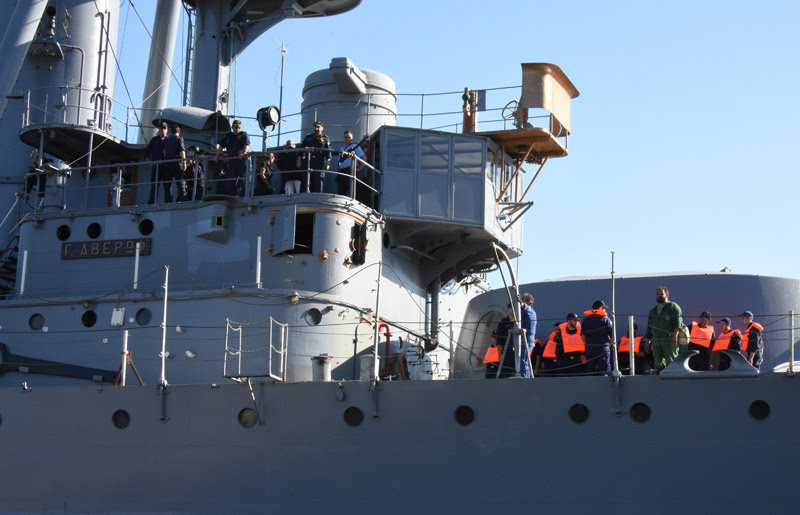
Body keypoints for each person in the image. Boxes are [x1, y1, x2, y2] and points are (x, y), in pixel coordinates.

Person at [645, 286, 683, 373]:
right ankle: (660, 378)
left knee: (671, 361)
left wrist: (675, 336)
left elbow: (678, 324)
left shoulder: (673, 307)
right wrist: (648, 341)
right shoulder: (653, 311)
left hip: (669, 340)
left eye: (661, 294)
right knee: (658, 363)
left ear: (667, 295)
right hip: (656, 341)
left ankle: (673, 378)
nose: (659, 296)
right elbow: (649, 328)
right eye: (657, 294)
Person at [214, 119, 250, 196]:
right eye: (236, 127)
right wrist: (217, 156)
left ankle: (244, 195)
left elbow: (246, 145)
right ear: (232, 127)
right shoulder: (228, 135)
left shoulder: (244, 135)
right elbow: (221, 146)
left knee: (243, 179)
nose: (237, 129)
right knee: (231, 179)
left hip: (241, 161)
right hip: (231, 161)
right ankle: (231, 195)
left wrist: (244, 153)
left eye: (239, 127)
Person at [297, 120, 331, 193]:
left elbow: (328, 152)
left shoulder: (325, 139)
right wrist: (299, 160)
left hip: (319, 162)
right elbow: (301, 149)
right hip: (308, 161)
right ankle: (304, 195)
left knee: (317, 181)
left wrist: (327, 163)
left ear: (322, 128)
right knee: (305, 180)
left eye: (318, 127)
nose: (316, 129)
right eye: (315, 127)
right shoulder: (308, 137)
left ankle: (317, 195)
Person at [581, 300, 613, 376]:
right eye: (604, 308)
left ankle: (590, 383)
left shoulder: (586, 320)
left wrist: (587, 344)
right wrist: (609, 346)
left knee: (590, 371)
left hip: (590, 348)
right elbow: (612, 336)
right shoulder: (606, 320)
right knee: (604, 371)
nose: (605, 310)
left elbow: (582, 336)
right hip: (603, 348)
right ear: (601, 308)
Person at [144, 122, 169, 203]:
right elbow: (146, 152)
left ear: (167, 129)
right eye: (161, 128)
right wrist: (149, 162)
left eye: (164, 128)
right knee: (154, 186)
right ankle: (152, 203)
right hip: (156, 167)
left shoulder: (170, 140)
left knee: (167, 186)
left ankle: (168, 203)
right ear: (159, 129)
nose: (163, 130)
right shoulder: (154, 140)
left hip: (166, 167)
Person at [336, 130, 365, 197]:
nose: (347, 139)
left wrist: (359, 169)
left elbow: (363, 158)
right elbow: (339, 161)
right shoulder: (342, 148)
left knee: (352, 191)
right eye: (346, 137)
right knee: (341, 191)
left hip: (350, 171)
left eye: (349, 137)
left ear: (352, 138)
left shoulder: (355, 146)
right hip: (342, 171)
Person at [162, 125, 187, 202]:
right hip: (176, 163)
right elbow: (182, 151)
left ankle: (168, 202)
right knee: (180, 183)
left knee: (167, 186)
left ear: (171, 132)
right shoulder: (179, 138)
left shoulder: (166, 140)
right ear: (178, 132)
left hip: (167, 163)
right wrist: (184, 162)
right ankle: (183, 200)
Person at [493, 304, 517, 378]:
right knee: (506, 373)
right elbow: (499, 340)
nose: (514, 310)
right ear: (508, 309)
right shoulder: (503, 322)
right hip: (507, 351)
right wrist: (499, 354)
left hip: (519, 351)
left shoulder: (521, 321)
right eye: (512, 308)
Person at [518, 293, 537, 378]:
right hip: (521, 340)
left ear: (528, 302)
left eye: (523, 299)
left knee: (523, 361)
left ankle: (525, 379)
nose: (521, 300)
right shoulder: (523, 312)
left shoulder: (529, 310)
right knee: (522, 361)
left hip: (527, 340)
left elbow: (523, 306)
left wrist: (518, 301)